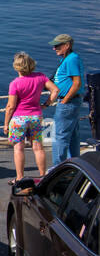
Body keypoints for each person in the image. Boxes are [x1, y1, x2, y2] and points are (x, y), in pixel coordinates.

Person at [3, 52, 57, 183]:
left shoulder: (15, 83)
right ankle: (43, 176)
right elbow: (55, 90)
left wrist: (5, 124)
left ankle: (20, 178)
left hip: (18, 119)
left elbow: (10, 106)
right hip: (36, 116)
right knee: (38, 147)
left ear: (16, 67)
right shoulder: (40, 77)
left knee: (18, 148)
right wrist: (46, 104)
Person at [49, 33, 85, 166]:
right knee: (73, 136)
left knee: (60, 137)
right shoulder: (68, 58)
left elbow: (77, 83)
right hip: (71, 103)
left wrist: (64, 101)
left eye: (57, 45)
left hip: (68, 103)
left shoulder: (71, 59)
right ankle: (75, 166)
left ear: (67, 45)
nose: (54, 48)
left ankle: (57, 169)